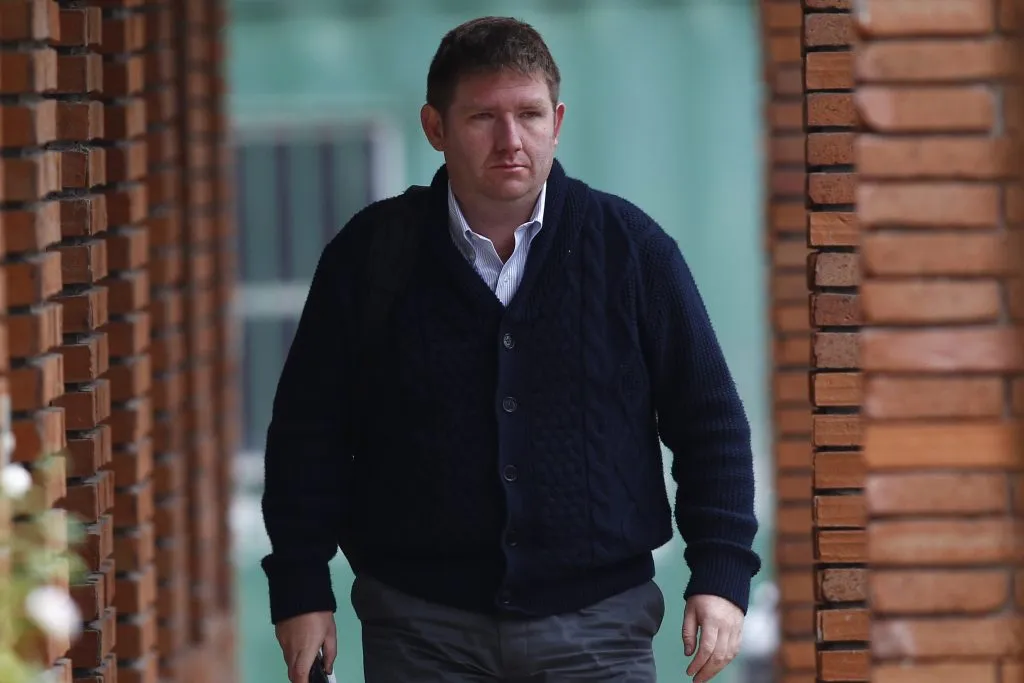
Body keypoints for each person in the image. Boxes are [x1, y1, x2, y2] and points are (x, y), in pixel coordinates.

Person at [261, 15, 760, 683]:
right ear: (434, 128)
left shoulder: (632, 253)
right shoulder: (370, 256)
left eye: (528, 114)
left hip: (599, 630)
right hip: (420, 631)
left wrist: (721, 572)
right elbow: (307, 433)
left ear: (557, 120)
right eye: (482, 118)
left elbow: (711, 423)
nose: (510, 139)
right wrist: (301, 585)